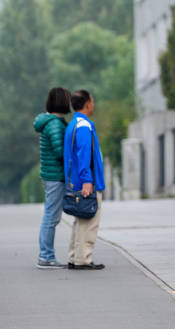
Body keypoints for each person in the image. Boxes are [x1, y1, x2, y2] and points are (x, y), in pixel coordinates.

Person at [63, 90, 105, 270]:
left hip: (75, 180)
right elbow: (84, 154)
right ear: (87, 103)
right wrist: (87, 180)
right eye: (92, 101)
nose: (93, 105)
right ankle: (83, 259)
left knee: (80, 220)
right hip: (86, 182)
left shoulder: (73, 124)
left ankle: (74, 257)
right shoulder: (83, 126)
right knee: (89, 220)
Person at [34, 87, 71, 269]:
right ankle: (46, 256)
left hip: (51, 175)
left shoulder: (51, 122)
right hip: (55, 176)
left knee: (51, 215)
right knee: (51, 217)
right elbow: (60, 152)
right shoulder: (55, 124)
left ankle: (46, 255)